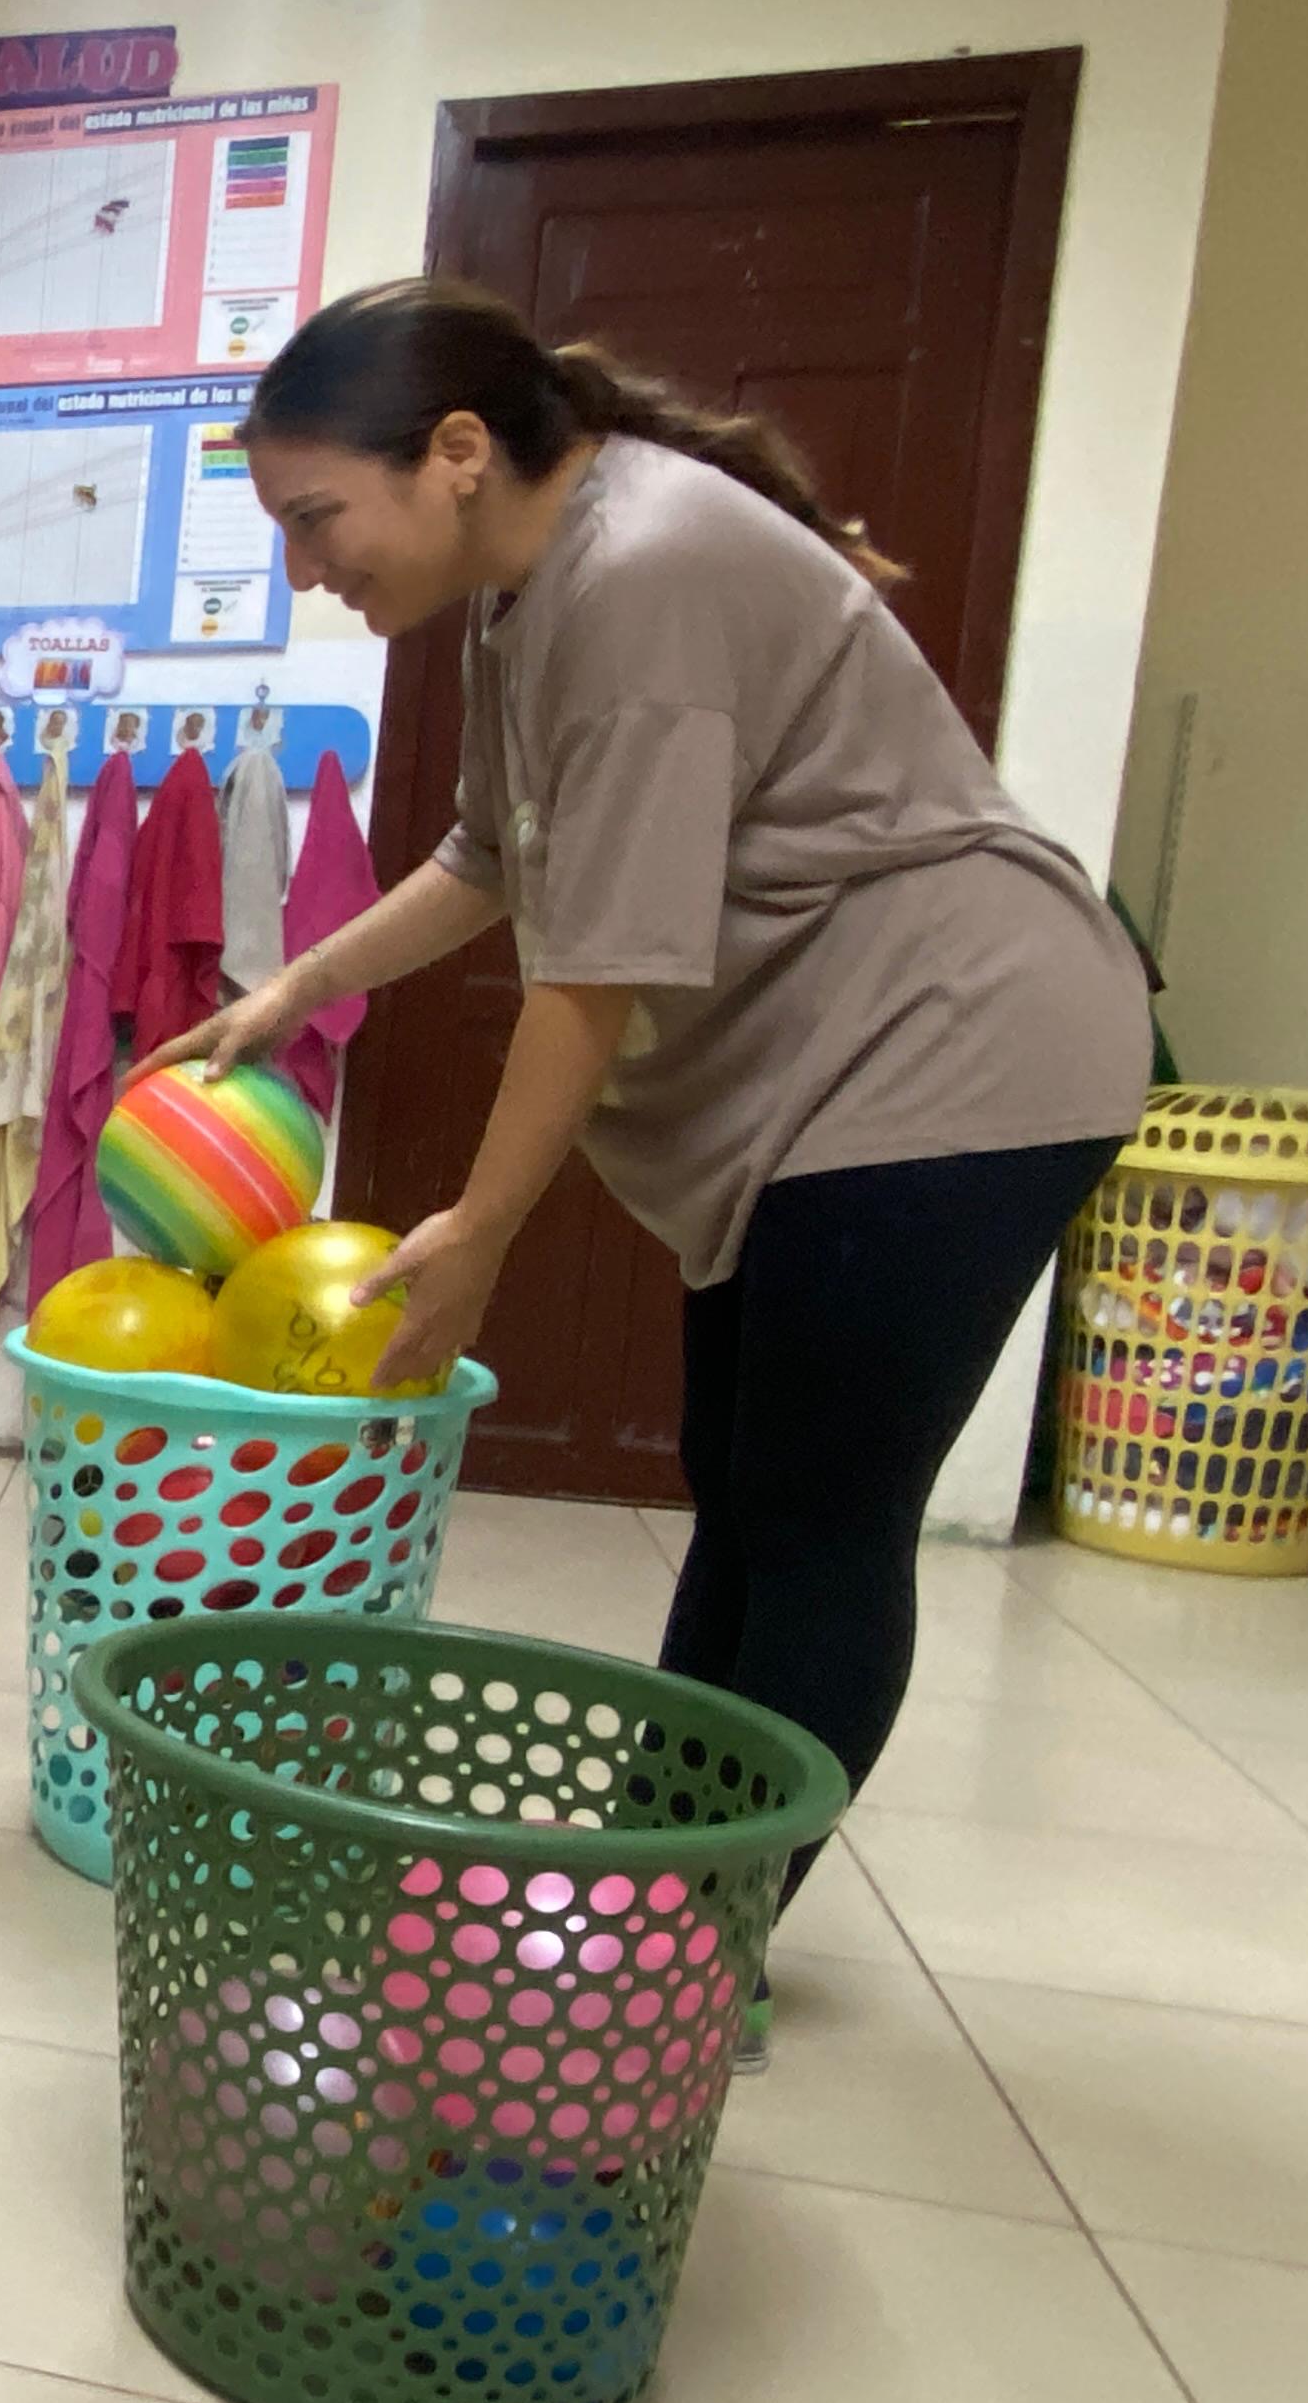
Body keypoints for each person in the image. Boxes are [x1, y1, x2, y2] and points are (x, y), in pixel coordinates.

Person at [176, 279, 1150, 2059]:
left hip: (961, 1055)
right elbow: (490, 859)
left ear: (455, 454)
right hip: (848, 1075)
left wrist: (479, 1229)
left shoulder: (639, 570)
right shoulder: (525, 589)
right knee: (750, 1489)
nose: (306, 570)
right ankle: (658, 1910)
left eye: (317, 519)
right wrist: (301, 987)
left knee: (819, 1516)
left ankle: (687, 1963)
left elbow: (590, 972)